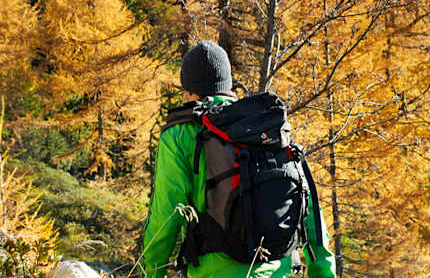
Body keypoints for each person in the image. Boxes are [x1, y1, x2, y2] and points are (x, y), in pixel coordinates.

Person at [141, 41, 336, 278]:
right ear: (228, 85)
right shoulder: (269, 129)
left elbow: (165, 219)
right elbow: (311, 215)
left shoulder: (180, 135)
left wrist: (150, 273)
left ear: (190, 91)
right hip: (278, 272)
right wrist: (323, 273)